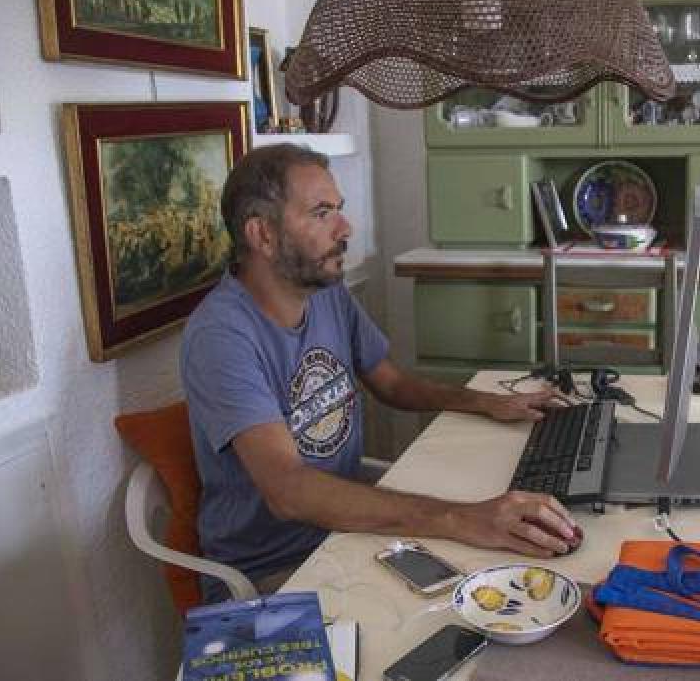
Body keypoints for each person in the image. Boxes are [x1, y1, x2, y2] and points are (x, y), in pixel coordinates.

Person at [181, 144, 579, 600]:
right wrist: (461, 518)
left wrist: (487, 402)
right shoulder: (220, 337)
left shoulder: (324, 291)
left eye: (339, 209)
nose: (345, 228)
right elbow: (288, 490)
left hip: (347, 532)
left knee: (512, 576)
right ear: (263, 234)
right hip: (276, 571)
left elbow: (392, 383)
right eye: (322, 213)